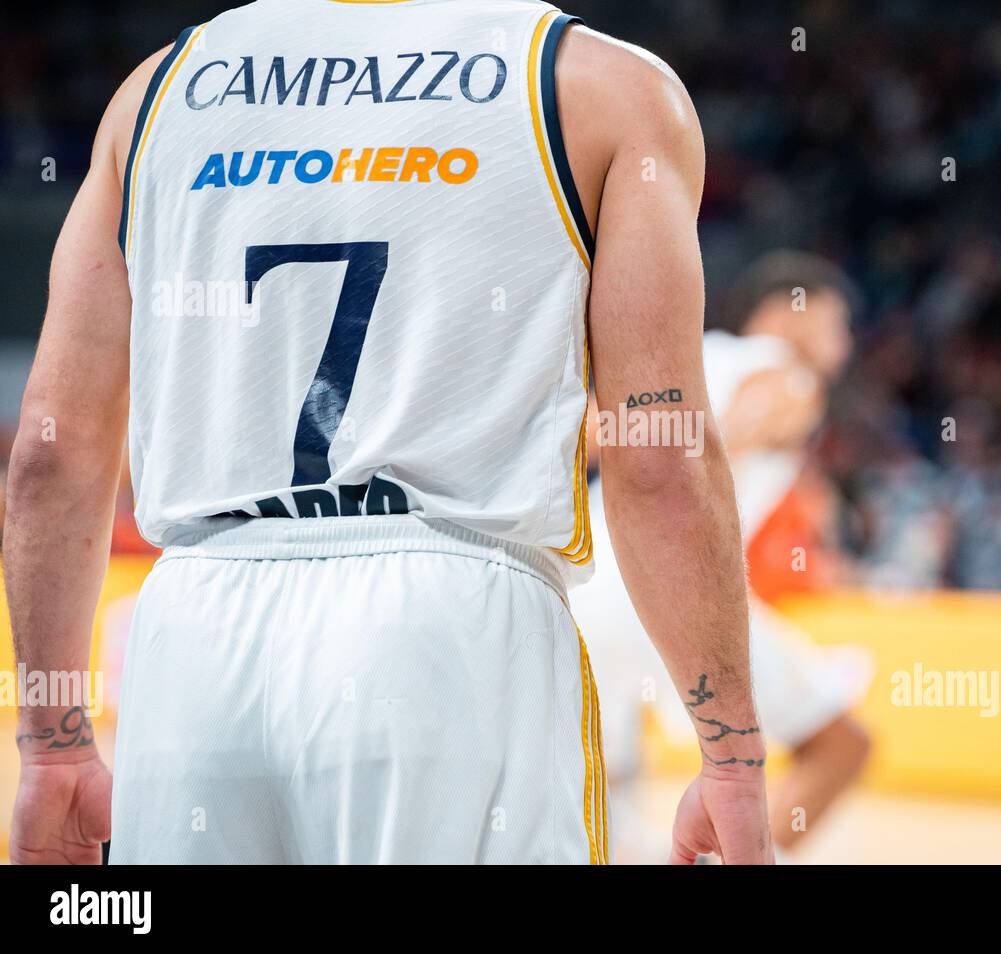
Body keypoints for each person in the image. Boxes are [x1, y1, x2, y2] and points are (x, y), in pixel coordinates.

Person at [5, 0, 771, 865]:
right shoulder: (601, 86)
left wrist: (53, 743)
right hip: (453, 627)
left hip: (192, 638)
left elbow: (48, 451)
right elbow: (659, 453)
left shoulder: (153, 95)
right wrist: (732, 756)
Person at [571, 251, 872, 861]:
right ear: (794, 311)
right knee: (841, 746)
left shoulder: (688, 352)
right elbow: (720, 449)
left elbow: (587, 436)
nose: (843, 349)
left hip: (583, 581)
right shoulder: (790, 375)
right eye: (837, 326)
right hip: (674, 588)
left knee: (609, 796)